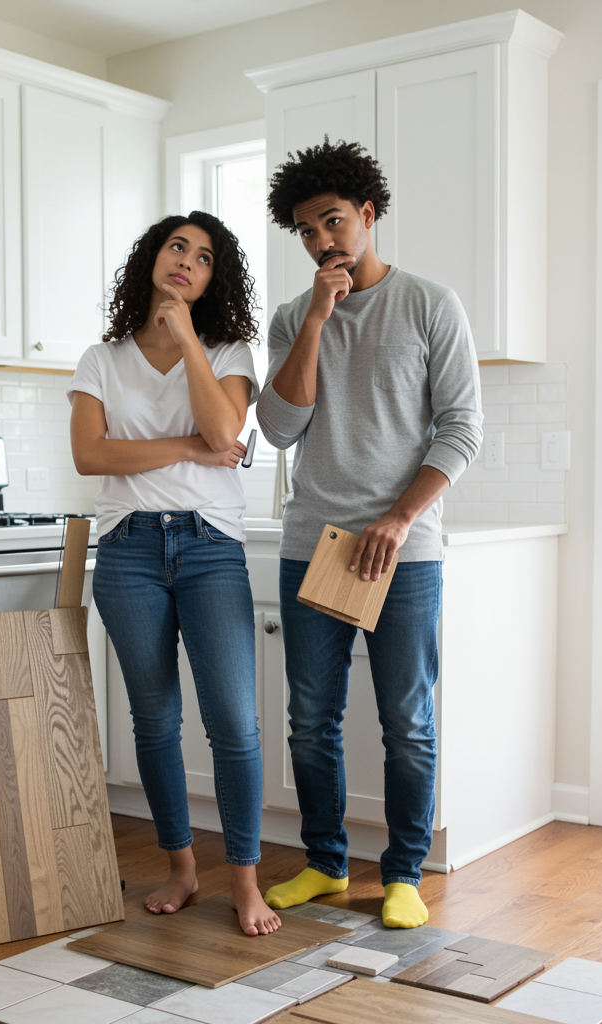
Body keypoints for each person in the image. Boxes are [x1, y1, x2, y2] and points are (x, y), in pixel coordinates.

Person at [256, 140, 483, 928]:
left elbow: (461, 428)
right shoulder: (294, 318)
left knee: (407, 720)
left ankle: (403, 875)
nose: (323, 241)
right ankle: (323, 863)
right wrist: (318, 319)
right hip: (312, 545)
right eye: (306, 231)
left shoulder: (430, 304)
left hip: (403, 551)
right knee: (309, 718)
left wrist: (399, 516)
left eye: (334, 221)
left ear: (369, 214)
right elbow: (281, 428)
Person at [67, 211, 281, 936]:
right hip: (127, 550)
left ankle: (245, 882)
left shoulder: (228, 349)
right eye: (176, 247)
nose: (187, 261)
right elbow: (91, 457)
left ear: (215, 279)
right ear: (152, 259)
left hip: (209, 549)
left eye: (204, 256)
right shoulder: (102, 359)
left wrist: (188, 337)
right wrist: (187, 447)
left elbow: (229, 433)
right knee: (155, 722)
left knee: (234, 723)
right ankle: (184, 870)